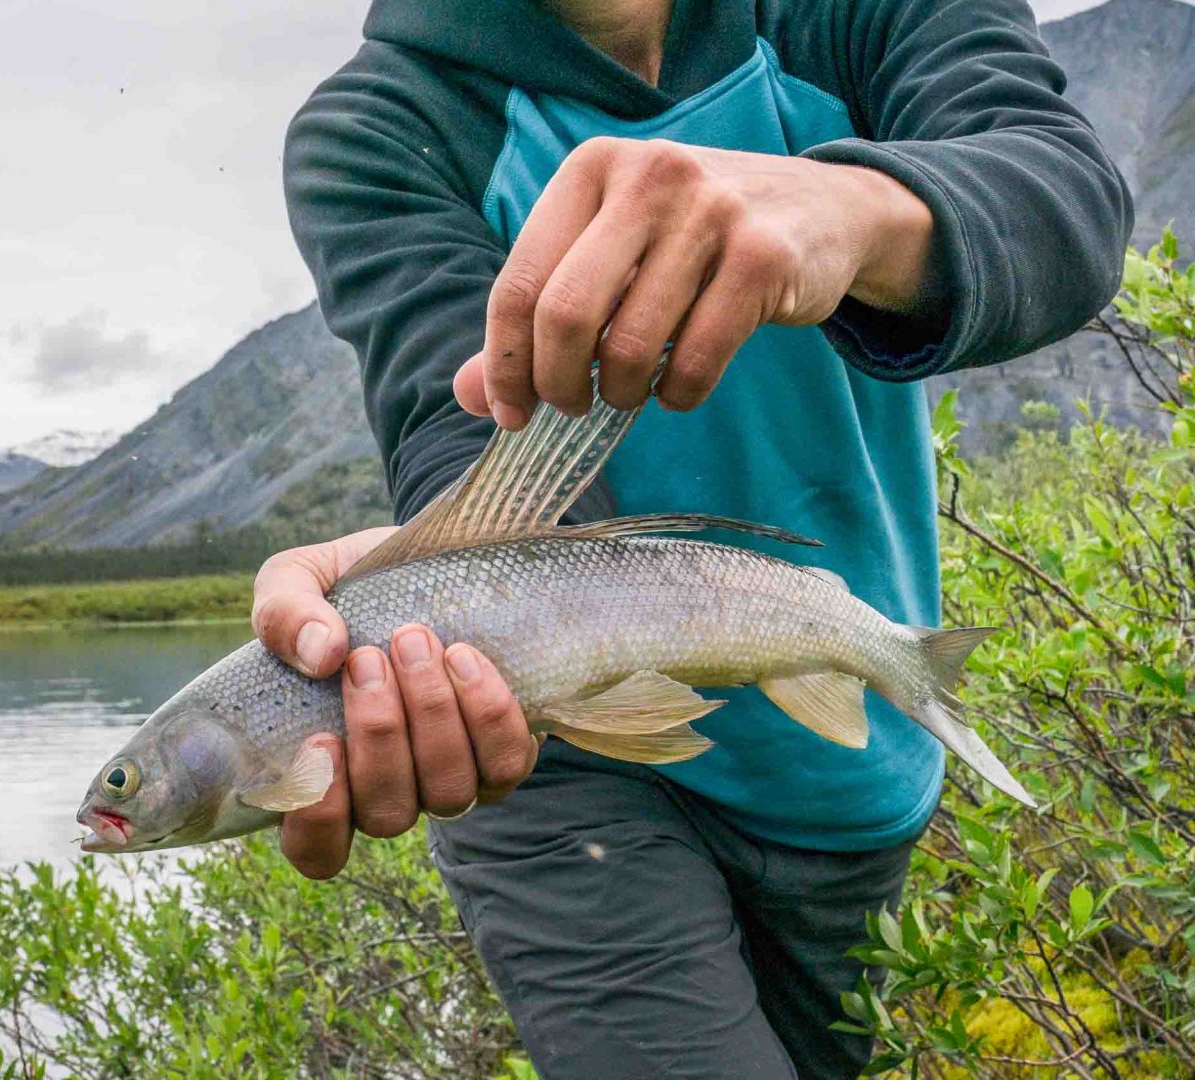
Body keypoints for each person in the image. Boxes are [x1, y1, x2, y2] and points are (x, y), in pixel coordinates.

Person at [260, 0, 1132, 1076]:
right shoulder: (379, 125)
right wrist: (416, 584)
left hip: (844, 742)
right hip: (555, 751)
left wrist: (851, 210)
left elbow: (1067, 203)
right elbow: (458, 427)